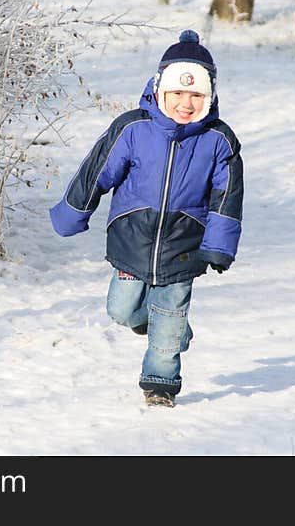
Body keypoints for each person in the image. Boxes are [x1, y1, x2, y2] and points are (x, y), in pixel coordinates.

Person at [49, 30, 244, 408]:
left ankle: (160, 384)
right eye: (177, 94)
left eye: (196, 96)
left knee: (169, 324)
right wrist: (74, 211)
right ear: (159, 90)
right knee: (120, 310)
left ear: (209, 97)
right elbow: (98, 171)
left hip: (185, 248)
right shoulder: (133, 128)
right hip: (131, 243)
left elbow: (228, 196)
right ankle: (151, 322)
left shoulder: (219, 140)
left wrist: (219, 245)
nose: (185, 104)